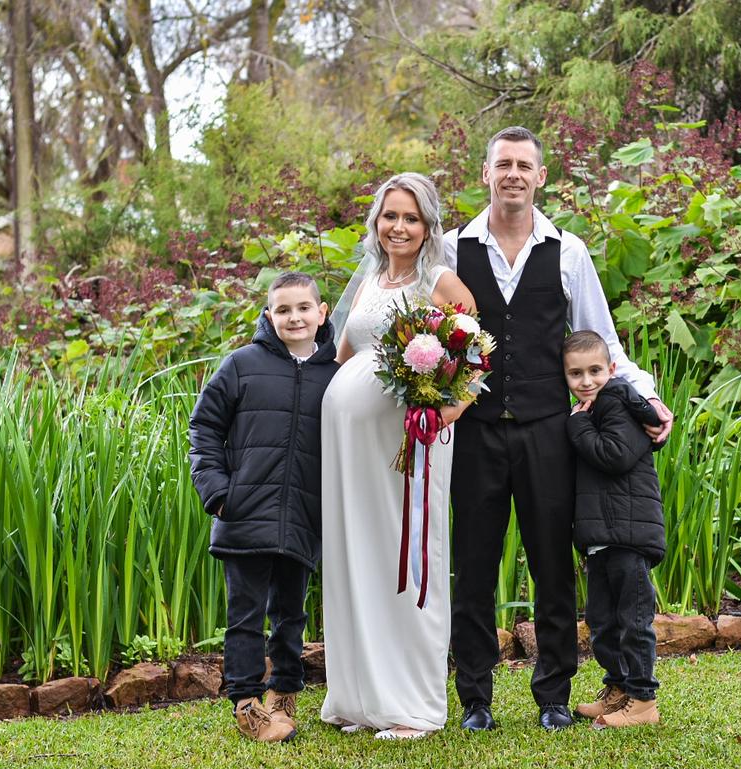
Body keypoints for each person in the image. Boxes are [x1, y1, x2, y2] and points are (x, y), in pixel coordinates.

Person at [443, 125, 673, 732]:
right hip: (473, 431)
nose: (514, 174)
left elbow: (606, 345)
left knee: (551, 566)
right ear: (485, 174)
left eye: (525, 165)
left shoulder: (568, 251)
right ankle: (476, 700)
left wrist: (646, 396)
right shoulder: (450, 249)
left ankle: (553, 697)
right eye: (503, 164)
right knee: (473, 566)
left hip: (549, 431)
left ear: (541, 177)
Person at [320, 172, 476, 740]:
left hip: (408, 447)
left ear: (428, 225)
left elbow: (474, 357)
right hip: (350, 451)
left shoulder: (439, 280)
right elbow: (343, 356)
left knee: (405, 562)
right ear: (376, 222)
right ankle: (361, 699)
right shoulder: (369, 278)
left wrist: (442, 414)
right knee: (356, 558)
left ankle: (411, 705)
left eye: (411, 217)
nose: (399, 227)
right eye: (391, 216)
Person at [188, 272, 339, 743]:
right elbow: (204, 428)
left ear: (322, 312)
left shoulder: (335, 375)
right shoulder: (241, 364)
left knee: (291, 612)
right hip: (244, 512)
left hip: (304, 516)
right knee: (246, 615)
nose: (294, 317)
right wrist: (217, 491)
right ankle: (247, 704)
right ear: (268, 315)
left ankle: (285, 692)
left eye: (303, 308)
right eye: (283, 309)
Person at [562, 330, 664, 729]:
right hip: (603, 537)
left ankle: (643, 702)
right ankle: (618, 688)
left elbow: (615, 455)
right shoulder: (594, 407)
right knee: (603, 620)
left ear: (612, 369)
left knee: (633, 622)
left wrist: (577, 428)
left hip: (628, 535)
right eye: (575, 374)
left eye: (594, 370)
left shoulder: (616, 402)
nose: (586, 381)